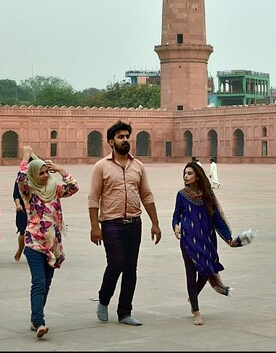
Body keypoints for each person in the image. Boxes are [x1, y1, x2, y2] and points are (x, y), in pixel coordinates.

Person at [88, 120, 162, 326]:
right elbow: (93, 197)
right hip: (111, 224)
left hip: (134, 223)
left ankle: (124, 312)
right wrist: (95, 226)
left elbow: (146, 195)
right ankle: (103, 299)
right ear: (111, 142)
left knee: (131, 268)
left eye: (127, 136)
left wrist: (155, 223)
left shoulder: (137, 166)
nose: (125, 140)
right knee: (117, 263)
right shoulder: (101, 166)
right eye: (120, 137)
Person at [17, 149, 79, 338]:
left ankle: (35, 317)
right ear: (34, 175)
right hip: (34, 243)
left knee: (46, 284)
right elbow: (21, 179)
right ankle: (39, 321)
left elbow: (74, 187)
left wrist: (59, 169)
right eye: (40, 173)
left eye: (46, 172)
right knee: (39, 282)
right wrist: (25, 158)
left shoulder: (55, 190)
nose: (44, 176)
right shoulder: (30, 192)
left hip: (53, 246)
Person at [172, 162, 242, 325]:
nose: (185, 176)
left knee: (206, 271)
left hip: (207, 240)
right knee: (191, 274)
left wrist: (228, 238)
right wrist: (175, 226)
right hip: (188, 240)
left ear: (197, 176)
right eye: (184, 173)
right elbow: (176, 215)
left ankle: (193, 297)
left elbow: (217, 218)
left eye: (189, 173)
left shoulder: (207, 195)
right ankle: (196, 311)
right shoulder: (181, 195)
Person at [13, 152, 30, 262]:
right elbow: (16, 193)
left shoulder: (40, 178)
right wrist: (18, 205)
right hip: (23, 208)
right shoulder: (20, 179)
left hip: (35, 208)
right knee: (23, 231)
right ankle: (20, 249)